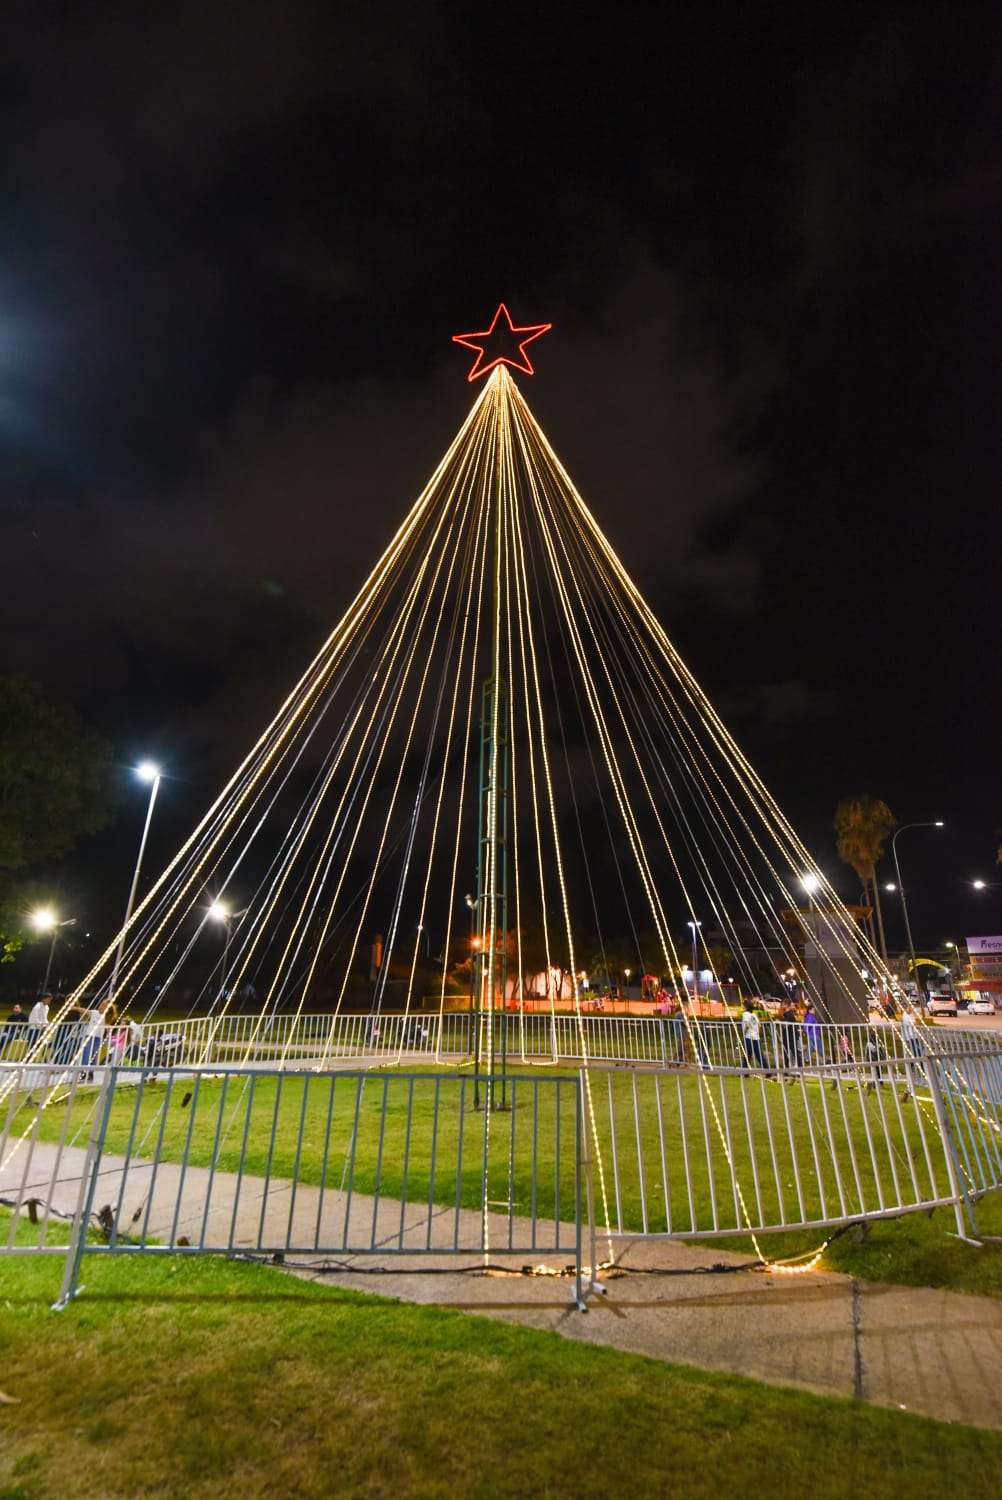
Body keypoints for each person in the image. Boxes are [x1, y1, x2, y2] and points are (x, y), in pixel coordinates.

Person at [741, 999, 764, 1069]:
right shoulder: (754, 1015)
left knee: (748, 1054)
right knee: (759, 1054)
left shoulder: (745, 1014)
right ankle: (767, 1070)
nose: (742, 1007)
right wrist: (757, 1032)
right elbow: (759, 1025)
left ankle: (745, 1071)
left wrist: (744, 1032)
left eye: (743, 1006)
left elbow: (747, 1024)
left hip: (748, 1036)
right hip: (756, 1037)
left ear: (746, 1007)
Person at [779, 997, 801, 1070]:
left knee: (793, 1051)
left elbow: (786, 1025)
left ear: (786, 1005)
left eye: (782, 1005)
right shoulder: (787, 1013)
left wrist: (780, 1022)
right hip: (787, 1035)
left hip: (791, 1036)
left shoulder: (789, 1014)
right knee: (786, 1051)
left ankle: (800, 1066)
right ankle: (786, 1067)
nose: (781, 1006)